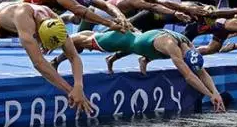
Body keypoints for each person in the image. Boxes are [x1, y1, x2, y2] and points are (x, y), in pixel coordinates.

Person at [60, 29, 226, 112]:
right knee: (87, 40)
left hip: (145, 44)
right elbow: (189, 76)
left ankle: (143, 59)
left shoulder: (189, 46)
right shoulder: (173, 47)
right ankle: (61, 39)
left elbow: (200, 72)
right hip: (128, 41)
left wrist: (216, 92)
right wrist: (209, 95)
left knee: (96, 36)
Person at [22, 0, 132, 32]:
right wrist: (109, 23)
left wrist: (120, 15)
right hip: (23, 12)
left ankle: (70, 19)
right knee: (78, 15)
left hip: (45, 15)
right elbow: (79, 11)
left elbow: (107, 6)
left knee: (77, 19)